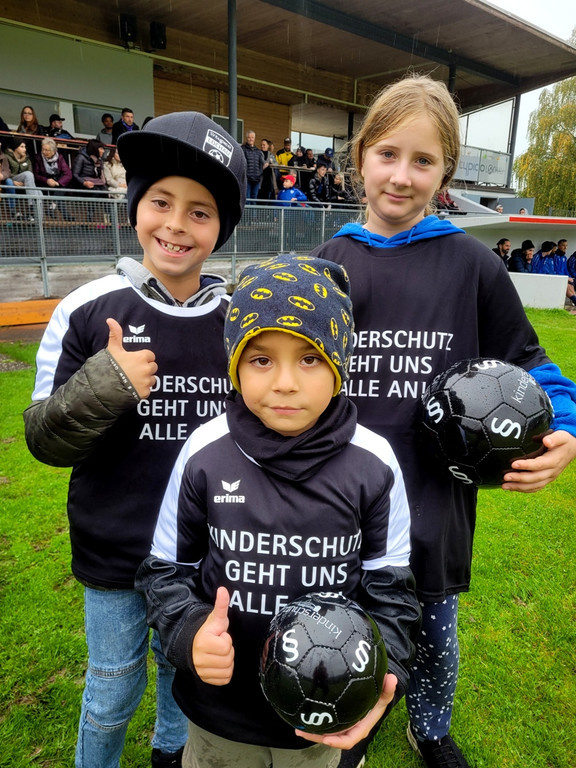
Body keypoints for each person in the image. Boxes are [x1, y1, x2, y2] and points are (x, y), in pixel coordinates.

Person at [310, 73, 576, 768]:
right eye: (388, 154)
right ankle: (352, 726)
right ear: (360, 156)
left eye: (423, 161)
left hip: (434, 502)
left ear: (446, 171)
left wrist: (566, 431)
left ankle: (429, 729)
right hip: (340, 502)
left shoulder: (471, 265)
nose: (402, 176)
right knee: (347, 627)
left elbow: (534, 366)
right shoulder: (328, 264)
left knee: (434, 630)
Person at [23, 111, 247, 768]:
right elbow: (44, 437)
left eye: (200, 212)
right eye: (161, 202)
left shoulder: (239, 323)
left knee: (182, 680)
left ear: (220, 230)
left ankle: (169, 758)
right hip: (114, 550)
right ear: (135, 208)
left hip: (200, 552)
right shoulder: (88, 308)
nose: (176, 224)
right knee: (112, 691)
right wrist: (106, 384)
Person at [135, 253, 421, 768]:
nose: (285, 382)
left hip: (327, 725)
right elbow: (163, 570)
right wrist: (190, 630)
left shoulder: (375, 462)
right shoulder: (206, 450)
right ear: (235, 365)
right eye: (261, 359)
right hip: (221, 716)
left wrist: (385, 674)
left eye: (309, 357)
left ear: (339, 363)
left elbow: (392, 591)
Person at [5, 138, 43, 221]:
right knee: (28, 174)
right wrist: (13, 181)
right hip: (12, 179)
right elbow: (6, 172)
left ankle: (37, 220)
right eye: (22, 147)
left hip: (24, 182)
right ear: (16, 148)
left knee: (39, 192)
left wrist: (25, 182)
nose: (24, 149)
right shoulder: (7, 157)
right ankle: (31, 204)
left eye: (25, 147)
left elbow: (30, 172)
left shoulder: (27, 159)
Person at [241, 130, 264, 200]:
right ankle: (247, 212)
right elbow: (242, 164)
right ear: (246, 138)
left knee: (254, 198)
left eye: (252, 137)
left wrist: (259, 174)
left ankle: (253, 212)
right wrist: (245, 174)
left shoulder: (258, 151)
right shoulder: (243, 149)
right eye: (249, 137)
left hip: (256, 179)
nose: (251, 139)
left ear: (254, 138)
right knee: (247, 198)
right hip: (247, 179)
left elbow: (261, 164)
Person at [0, 138, 17, 216]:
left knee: (9, 181)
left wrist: (2, 175)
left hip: (1, 180)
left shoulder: (3, 157)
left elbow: (8, 171)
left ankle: (12, 208)